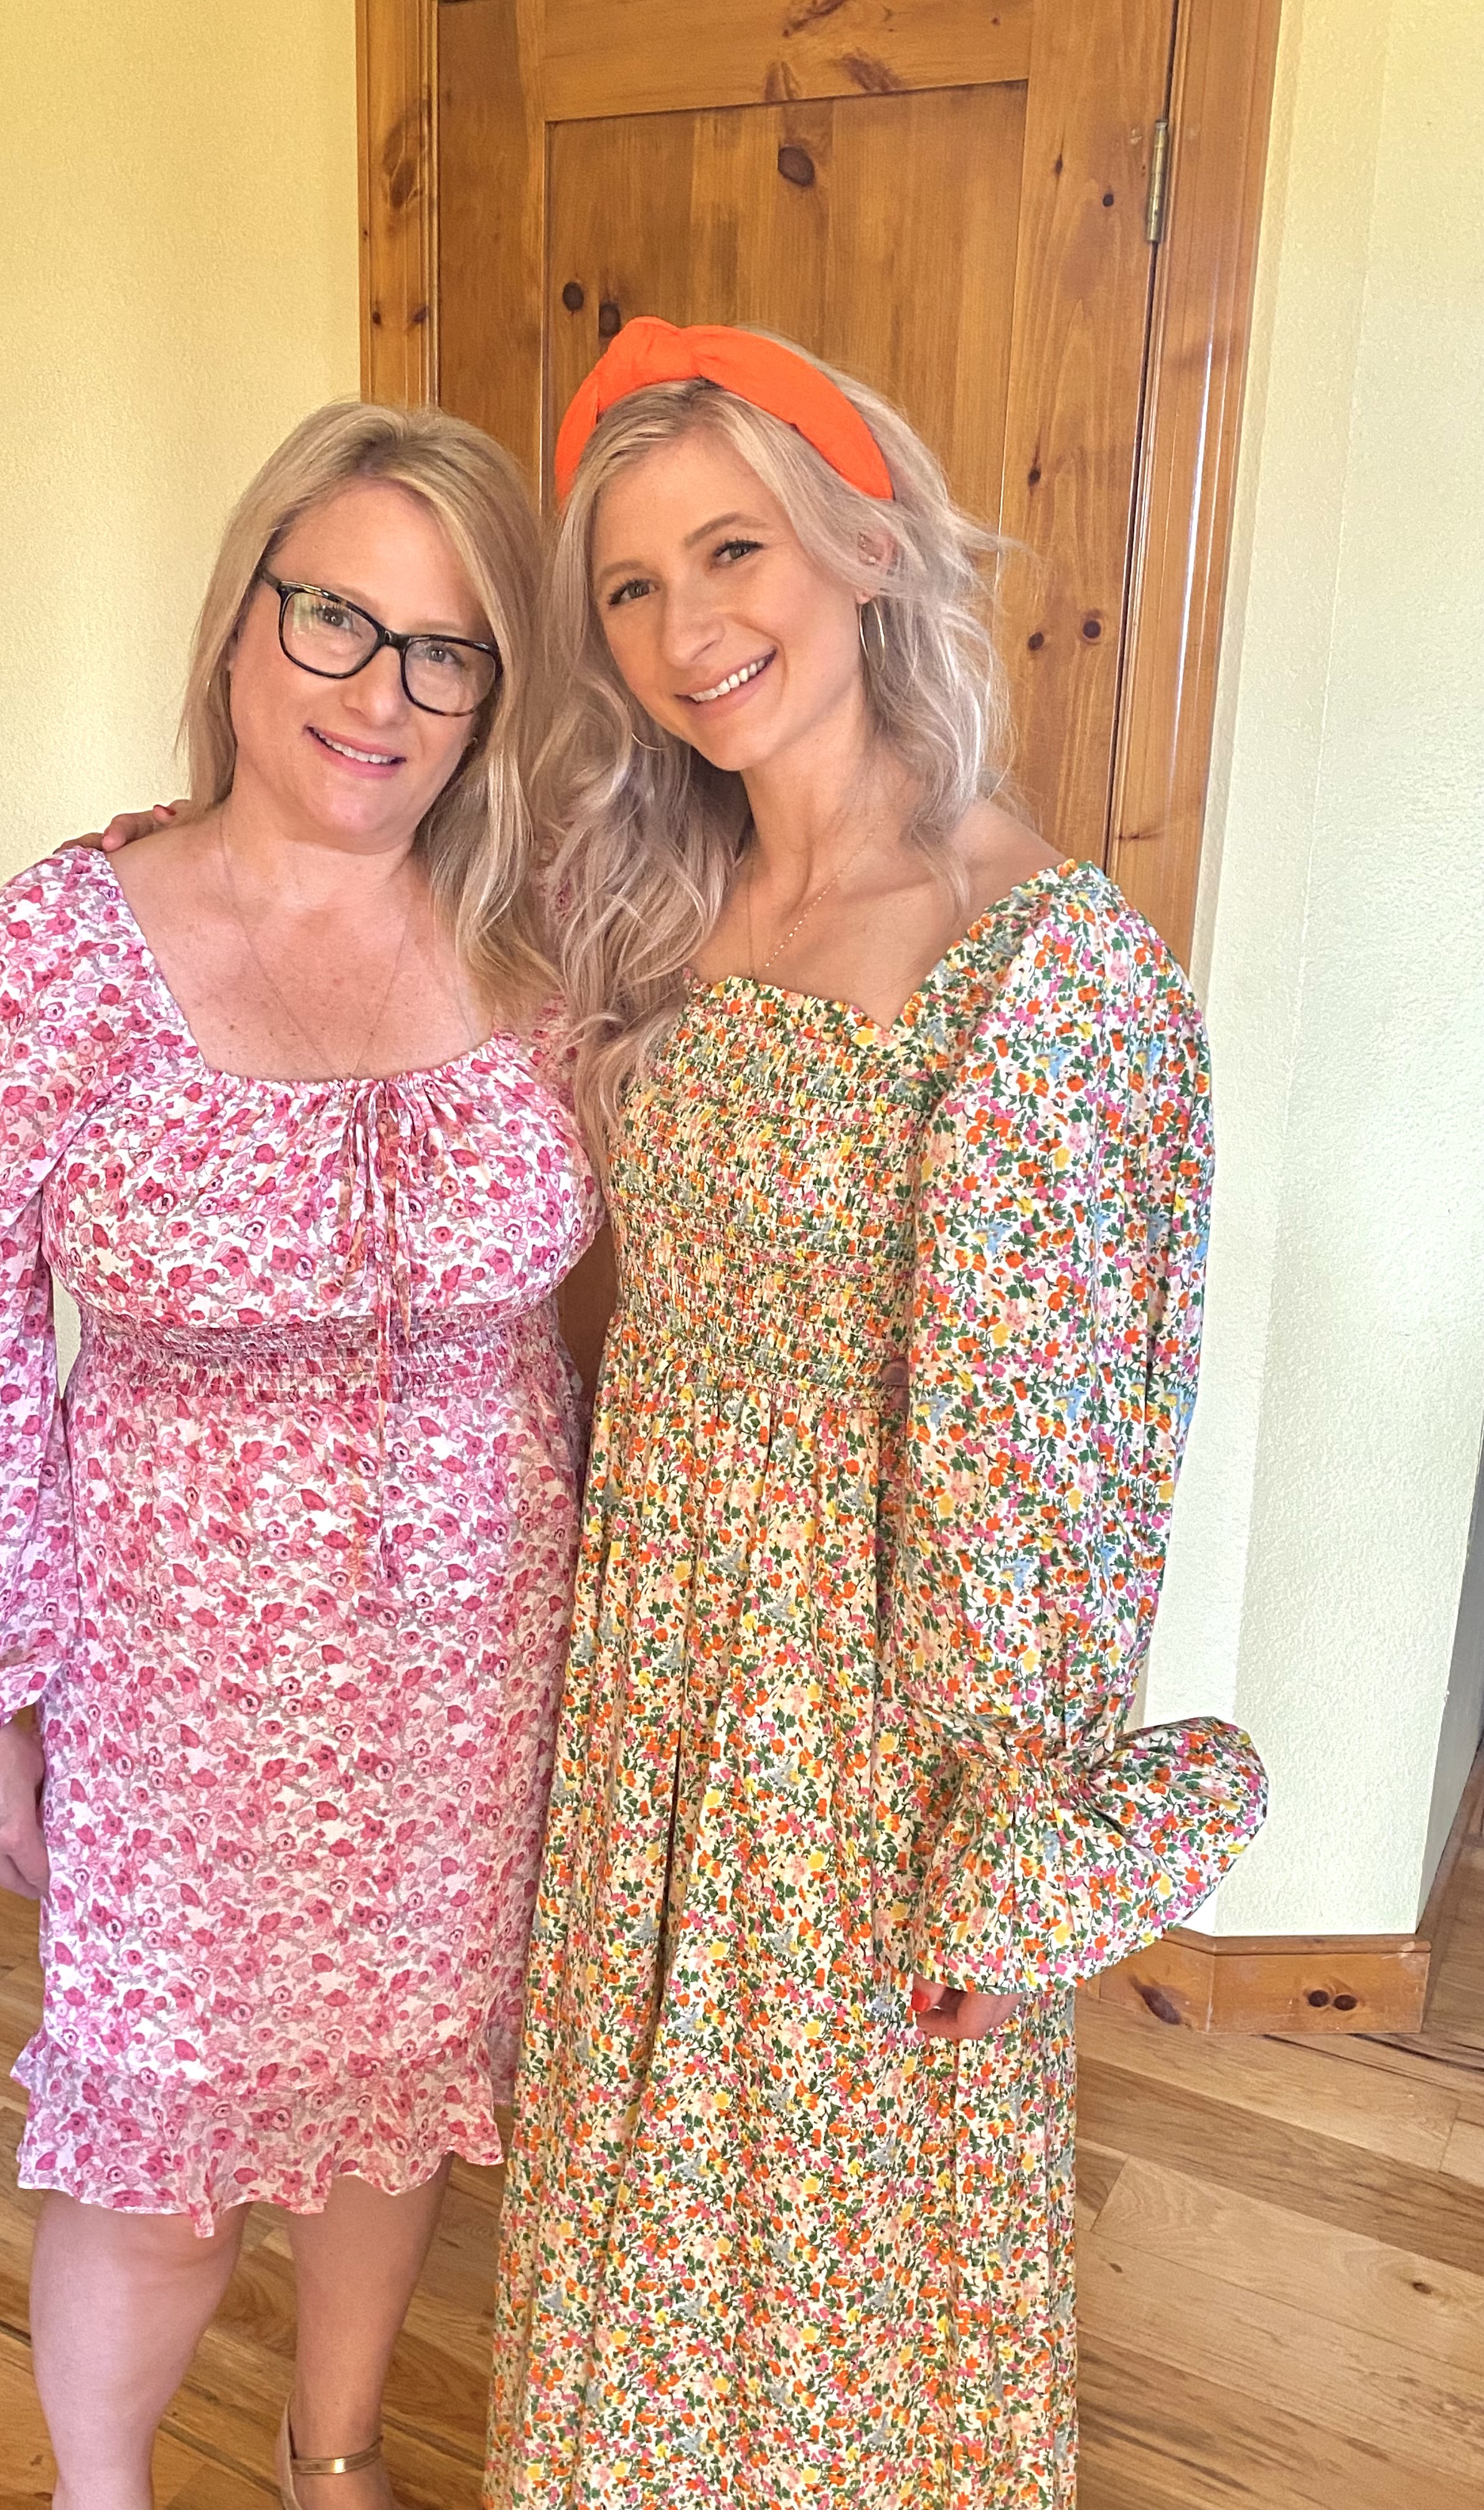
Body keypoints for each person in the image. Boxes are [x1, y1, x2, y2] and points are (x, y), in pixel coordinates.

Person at [482, 320, 1269, 2508]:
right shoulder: (654, 899)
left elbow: (1054, 1478)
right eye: (631, 586)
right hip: (651, 1658)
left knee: (827, 2233)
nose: (686, 629)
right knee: (639, 2192)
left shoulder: (1038, 969)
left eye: (733, 549)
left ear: (865, 548)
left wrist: (999, 1876)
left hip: (863, 1712)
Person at [0, 400, 599, 2510]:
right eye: (337, 619)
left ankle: (328, 2455)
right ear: (245, 618)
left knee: (398, 2109)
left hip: (473, 1678)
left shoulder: (543, 942)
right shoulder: (61, 949)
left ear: (494, 695)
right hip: (174, 1694)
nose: (382, 694)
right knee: (157, 2169)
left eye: (446, 653)